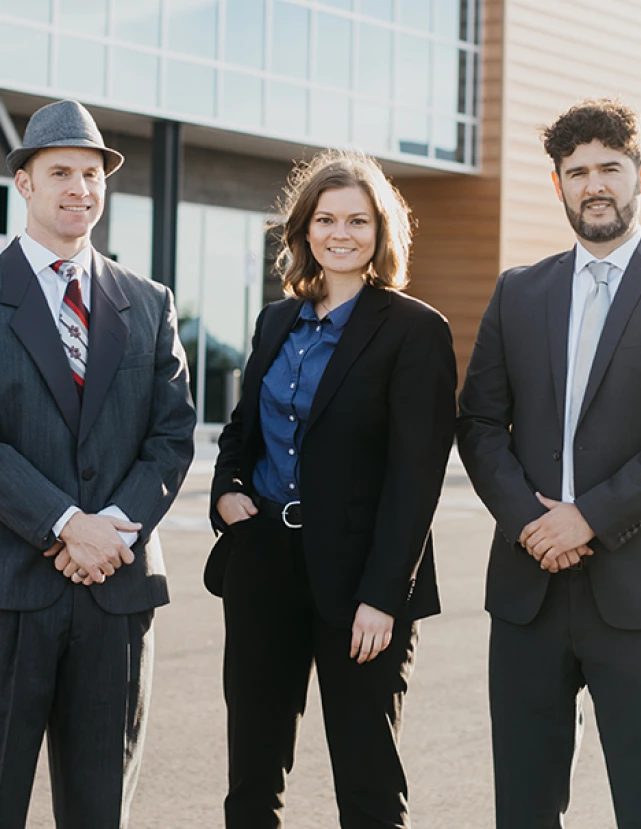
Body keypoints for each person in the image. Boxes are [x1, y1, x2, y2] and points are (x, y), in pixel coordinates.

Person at [457, 99, 641, 829]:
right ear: (558, 184)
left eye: (609, 168)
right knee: (523, 808)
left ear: (640, 174)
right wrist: (532, 523)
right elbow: (481, 423)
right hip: (529, 591)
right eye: (576, 171)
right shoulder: (518, 290)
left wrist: (588, 517)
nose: (594, 185)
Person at [0, 99, 196, 828]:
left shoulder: (148, 302)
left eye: (91, 173)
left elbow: (171, 436)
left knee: (101, 807)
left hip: (116, 589)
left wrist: (107, 530)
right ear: (25, 182)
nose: (80, 188)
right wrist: (64, 525)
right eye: (61, 173)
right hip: (7, 590)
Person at [204, 149, 457, 829]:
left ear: (381, 231)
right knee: (252, 773)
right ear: (304, 230)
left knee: (367, 779)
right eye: (325, 218)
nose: (340, 233)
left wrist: (383, 596)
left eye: (357, 220)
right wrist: (226, 492)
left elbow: (417, 476)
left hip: (360, 578)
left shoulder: (415, 330)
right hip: (263, 562)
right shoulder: (275, 322)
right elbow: (239, 430)